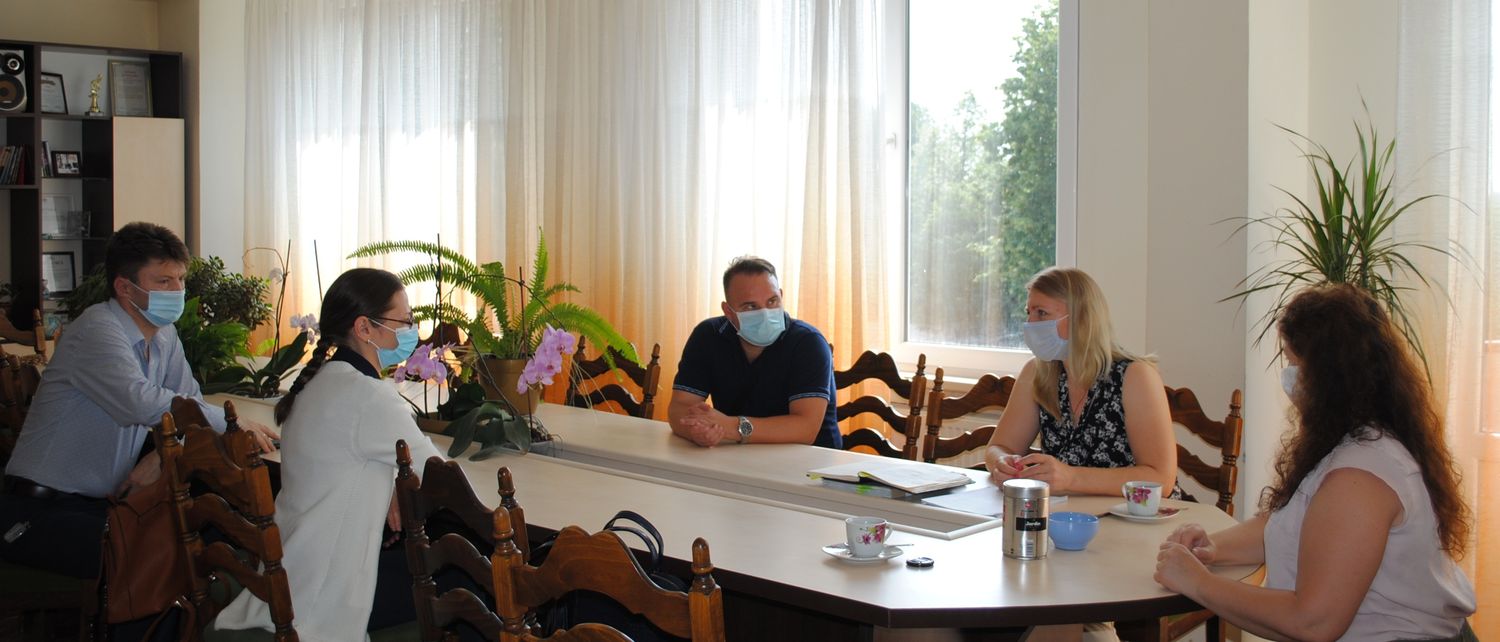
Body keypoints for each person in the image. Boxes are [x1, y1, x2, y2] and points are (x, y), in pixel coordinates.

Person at [1155, 283, 1476, 641]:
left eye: (1294, 363)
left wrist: (1199, 583)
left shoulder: (1360, 477)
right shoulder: (1350, 442)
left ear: (1328, 376)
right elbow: (1290, 528)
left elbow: (1313, 622)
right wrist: (1213, 548)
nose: (1288, 376)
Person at [1, 222, 279, 580]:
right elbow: (141, 401)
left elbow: (188, 406)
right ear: (124, 288)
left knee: (209, 533)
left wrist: (161, 457)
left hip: (102, 506)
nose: (177, 290)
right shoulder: (96, 329)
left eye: (180, 279)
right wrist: (232, 423)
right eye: (163, 281)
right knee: (171, 556)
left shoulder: (164, 335)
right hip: (41, 510)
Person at [214, 268, 445, 641]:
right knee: (468, 579)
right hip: (323, 602)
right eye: (404, 321)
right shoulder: (368, 396)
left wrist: (391, 483)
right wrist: (398, 481)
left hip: (287, 581)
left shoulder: (318, 383)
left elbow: (351, 458)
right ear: (364, 328)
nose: (411, 331)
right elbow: (441, 475)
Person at [981, 266, 1177, 496]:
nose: (1030, 323)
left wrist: (1071, 478)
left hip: (1133, 512)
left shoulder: (1136, 376)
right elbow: (998, 447)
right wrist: (1002, 462)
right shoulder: (1037, 372)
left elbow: (1161, 479)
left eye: (1041, 313)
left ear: (1080, 318)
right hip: (1066, 510)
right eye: (1028, 312)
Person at [668, 256, 839, 448]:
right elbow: (680, 407)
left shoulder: (808, 342)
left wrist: (731, 427)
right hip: (737, 454)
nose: (765, 313)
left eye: (772, 301)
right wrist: (697, 431)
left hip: (812, 459)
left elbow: (805, 429)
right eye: (751, 306)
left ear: (781, 296)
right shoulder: (708, 335)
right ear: (728, 311)